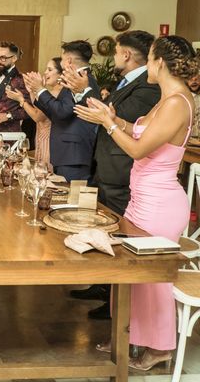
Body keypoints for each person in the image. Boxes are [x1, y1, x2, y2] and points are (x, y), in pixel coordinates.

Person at [75, 35, 198, 371]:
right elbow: (142, 132)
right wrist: (110, 116)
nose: (148, 67)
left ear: (159, 62)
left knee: (152, 280)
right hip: (142, 199)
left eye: (151, 60)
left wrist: (109, 124)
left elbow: (138, 150)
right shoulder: (166, 99)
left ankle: (159, 348)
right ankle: (127, 334)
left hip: (159, 202)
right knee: (131, 277)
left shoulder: (176, 102)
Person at [68, 30, 160, 320]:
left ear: (127, 55)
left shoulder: (147, 87)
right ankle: (102, 285)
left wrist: (87, 91)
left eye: (117, 51)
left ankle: (114, 303)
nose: (114, 56)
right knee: (105, 228)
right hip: (107, 164)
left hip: (120, 168)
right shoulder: (128, 81)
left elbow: (115, 118)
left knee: (118, 235)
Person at [25, 40, 100, 181]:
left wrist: (40, 90)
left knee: (69, 199)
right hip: (67, 154)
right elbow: (57, 113)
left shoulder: (82, 80)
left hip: (73, 155)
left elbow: (62, 112)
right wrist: (36, 93)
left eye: (63, 59)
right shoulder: (76, 79)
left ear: (69, 60)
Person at [6, 57, 63, 170]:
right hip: (41, 139)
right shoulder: (52, 92)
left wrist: (21, 101)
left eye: (50, 69)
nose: (45, 72)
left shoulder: (57, 93)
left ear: (61, 74)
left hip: (49, 142)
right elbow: (38, 106)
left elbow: (37, 116)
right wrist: (31, 90)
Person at [0, 41, 30, 132]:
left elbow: (29, 110)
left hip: (9, 134)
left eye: (3, 58)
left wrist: (8, 116)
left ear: (14, 58)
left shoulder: (21, 79)